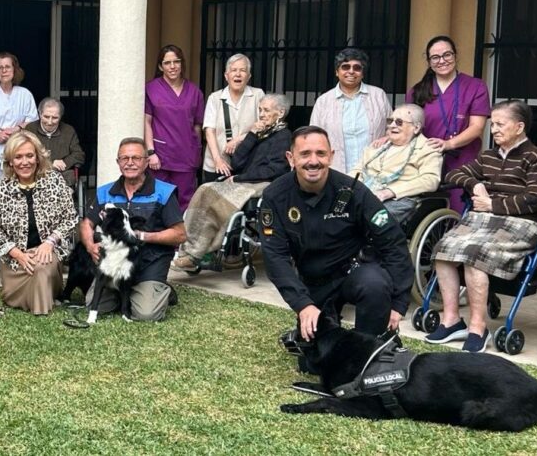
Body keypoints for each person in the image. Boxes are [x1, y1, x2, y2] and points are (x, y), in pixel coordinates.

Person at [259, 126, 412, 349]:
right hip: (314, 282)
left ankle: (371, 348)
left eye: (321, 153)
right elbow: (275, 258)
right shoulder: (275, 196)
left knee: (374, 283)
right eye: (305, 154)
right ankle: (310, 333)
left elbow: (392, 240)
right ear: (291, 158)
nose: (313, 161)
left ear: (331, 156)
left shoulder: (352, 191)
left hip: (353, 272)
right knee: (314, 361)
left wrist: (399, 302)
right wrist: (303, 305)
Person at [424, 100, 537, 353]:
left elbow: (536, 197)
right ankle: (452, 320)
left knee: (473, 254)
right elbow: (453, 175)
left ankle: (478, 327)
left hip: (521, 222)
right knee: (443, 248)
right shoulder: (488, 156)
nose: (494, 129)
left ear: (520, 127)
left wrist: (492, 204)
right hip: (482, 221)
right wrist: (474, 184)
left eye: (501, 124)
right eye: (493, 124)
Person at [172, 93, 293, 273]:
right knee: (205, 188)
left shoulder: (283, 136)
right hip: (245, 181)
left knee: (219, 199)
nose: (261, 114)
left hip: (264, 184)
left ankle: (196, 253)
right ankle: (186, 249)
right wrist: (251, 135)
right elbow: (237, 163)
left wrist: (238, 178)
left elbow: (274, 170)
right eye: (260, 109)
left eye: (266, 110)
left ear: (280, 113)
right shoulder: (261, 134)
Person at [79, 138, 186, 321]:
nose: (130, 163)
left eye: (136, 158)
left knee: (146, 313)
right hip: (117, 265)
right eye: (124, 158)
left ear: (146, 161)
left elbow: (180, 234)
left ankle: (162, 291)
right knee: (93, 303)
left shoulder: (163, 192)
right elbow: (86, 224)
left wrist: (142, 236)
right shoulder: (105, 192)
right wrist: (90, 245)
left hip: (150, 263)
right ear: (118, 162)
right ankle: (126, 293)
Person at [0, 131, 77, 315]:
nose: (25, 162)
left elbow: (71, 217)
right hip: (15, 258)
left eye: (30, 155)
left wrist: (49, 242)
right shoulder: (2, 187)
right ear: (10, 162)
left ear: (38, 157)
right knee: (16, 289)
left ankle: (40, 307)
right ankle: (26, 294)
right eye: (18, 157)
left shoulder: (54, 180)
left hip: (46, 252)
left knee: (42, 267)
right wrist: (18, 254)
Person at [406, 36, 491, 213]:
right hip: (425, 159)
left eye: (447, 54)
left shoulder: (475, 86)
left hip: (462, 159)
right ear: (429, 61)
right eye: (435, 57)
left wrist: (449, 144)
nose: (442, 60)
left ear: (455, 55)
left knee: (458, 210)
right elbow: (407, 127)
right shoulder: (418, 90)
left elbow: (477, 127)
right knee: (425, 210)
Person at [350, 104, 442, 223]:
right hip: (365, 194)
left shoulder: (427, 149)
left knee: (369, 217)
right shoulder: (378, 146)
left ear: (416, 128)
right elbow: (358, 170)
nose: (392, 125)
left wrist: (390, 192)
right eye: (390, 121)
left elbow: (430, 180)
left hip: (398, 199)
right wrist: (349, 187)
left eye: (399, 122)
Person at [309, 48, 391, 174]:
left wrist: (387, 138)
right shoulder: (323, 101)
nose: (351, 71)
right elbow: (314, 138)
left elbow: (393, 129)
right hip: (335, 171)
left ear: (362, 73)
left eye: (357, 68)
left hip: (374, 171)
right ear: (337, 72)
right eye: (345, 67)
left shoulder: (378, 96)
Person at [144, 44, 204, 210]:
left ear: (182, 64)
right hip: (160, 156)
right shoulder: (151, 89)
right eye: (167, 63)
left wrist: (196, 151)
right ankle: (160, 234)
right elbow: (147, 122)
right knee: (158, 198)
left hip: (186, 155)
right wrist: (151, 152)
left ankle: (181, 235)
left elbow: (198, 126)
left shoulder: (194, 91)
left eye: (176, 62)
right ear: (160, 66)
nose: (172, 66)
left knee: (185, 200)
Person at [202, 53, 263, 184]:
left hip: (247, 162)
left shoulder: (258, 95)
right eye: (233, 70)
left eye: (242, 70)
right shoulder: (215, 98)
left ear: (249, 76)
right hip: (217, 162)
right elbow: (209, 131)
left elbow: (263, 126)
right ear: (226, 75)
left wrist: (237, 140)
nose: (238, 74)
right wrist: (218, 160)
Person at [0, 52, 38, 181]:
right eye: (0, 67)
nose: (4, 71)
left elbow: (33, 122)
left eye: (7, 67)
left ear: (14, 70)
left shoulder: (25, 94)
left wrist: (17, 129)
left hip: (18, 151)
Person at [24, 97, 85, 188]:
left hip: (62, 177)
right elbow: (24, 153)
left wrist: (65, 162)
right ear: (40, 114)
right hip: (36, 174)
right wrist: (50, 164)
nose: (50, 122)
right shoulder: (30, 129)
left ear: (60, 117)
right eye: (46, 117)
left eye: (55, 118)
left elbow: (79, 155)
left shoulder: (68, 131)